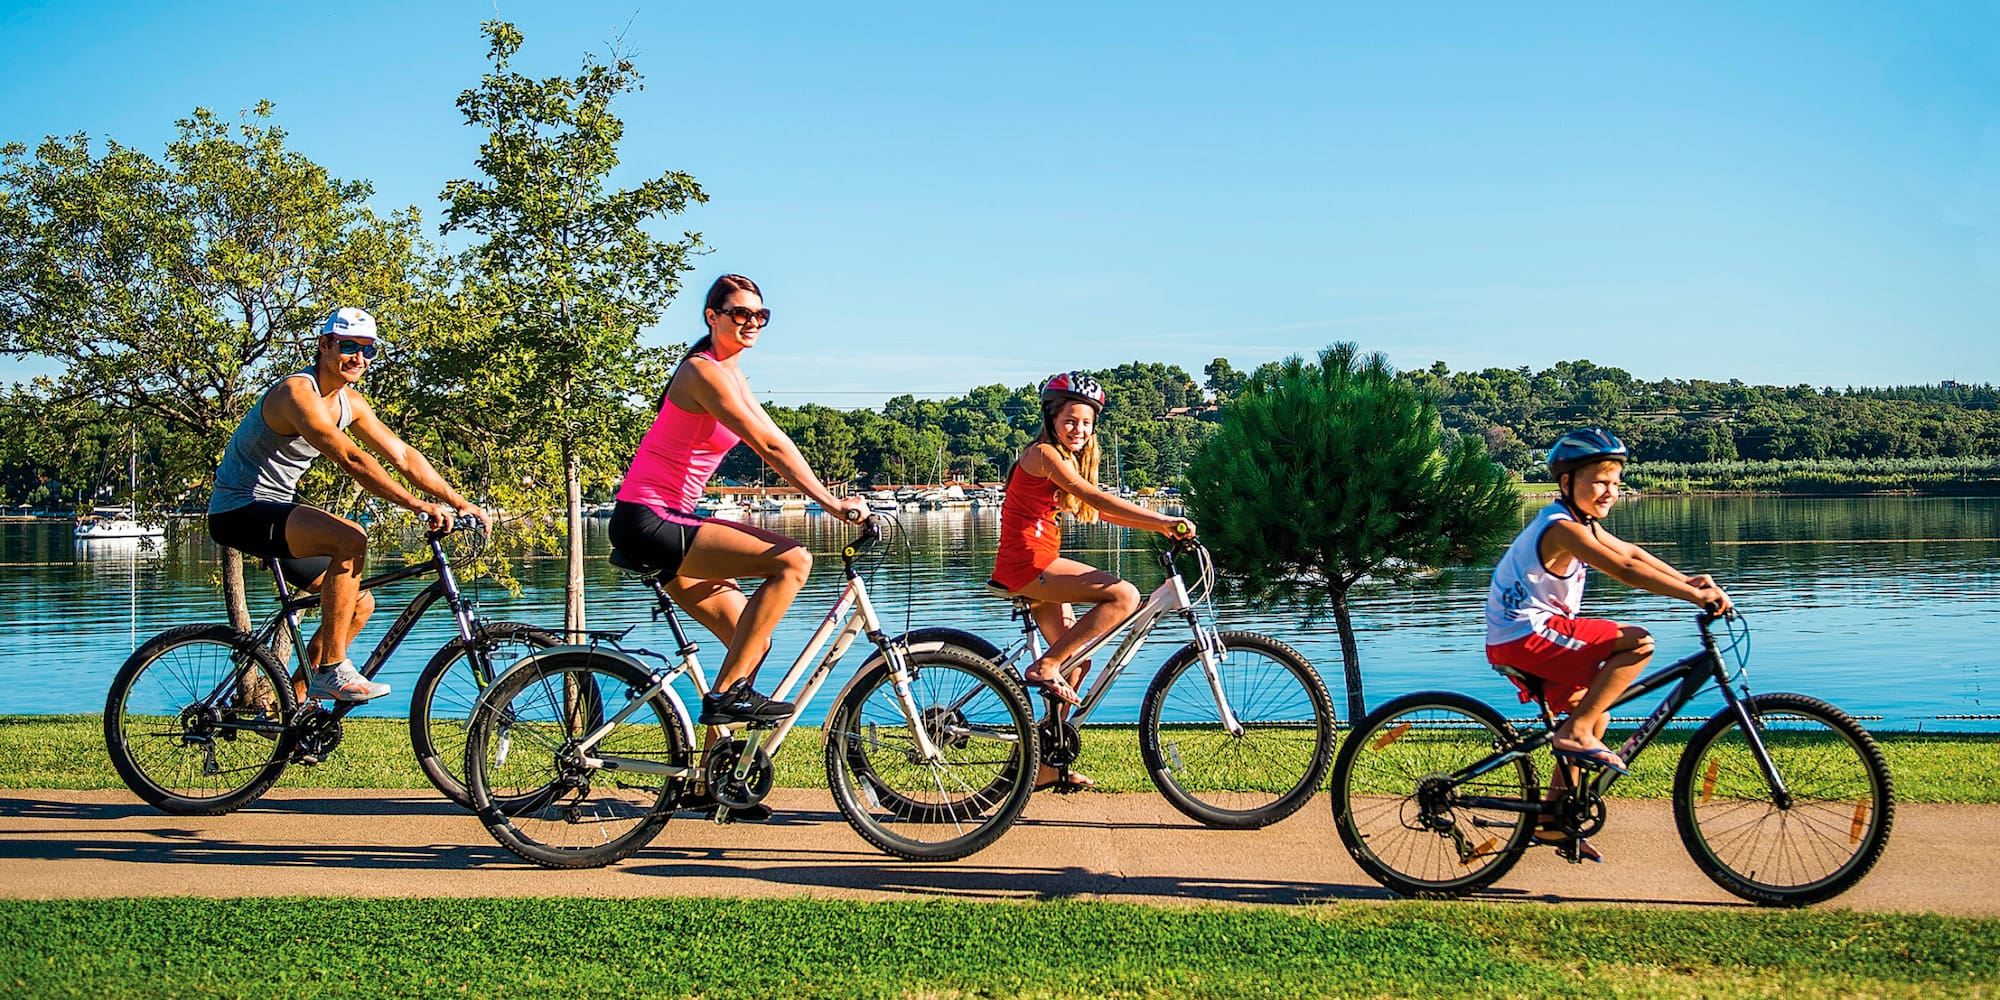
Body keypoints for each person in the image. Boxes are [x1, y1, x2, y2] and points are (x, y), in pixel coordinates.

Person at [608, 273, 868, 754]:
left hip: (664, 521)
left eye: (761, 315)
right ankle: (726, 697)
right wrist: (830, 504)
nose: (752, 322)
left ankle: (712, 779)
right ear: (713, 317)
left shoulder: (731, 373)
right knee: (793, 560)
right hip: (650, 519)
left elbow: (779, 437)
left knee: (752, 641)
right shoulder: (701, 371)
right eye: (740, 314)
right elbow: (764, 444)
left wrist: (830, 492)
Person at [207, 307, 486, 703]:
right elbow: (350, 458)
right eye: (349, 346)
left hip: (273, 512)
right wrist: (416, 506)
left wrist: (459, 502)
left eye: (368, 350)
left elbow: (402, 455)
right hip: (239, 511)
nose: (359, 358)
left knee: (357, 604)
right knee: (350, 538)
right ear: (324, 345)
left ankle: (293, 706)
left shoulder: (349, 402)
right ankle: (333, 669)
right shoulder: (296, 393)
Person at [1485, 427, 1732, 860]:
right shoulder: (1562, 528)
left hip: (1527, 636)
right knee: (1637, 643)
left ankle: (1550, 821)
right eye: (1599, 481)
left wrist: (1687, 580)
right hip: (1524, 634)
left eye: (1616, 483)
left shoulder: (1581, 524)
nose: (1610, 491)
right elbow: (1625, 572)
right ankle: (1575, 733)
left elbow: (1633, 553)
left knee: (1594, 713)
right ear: (1567, 483)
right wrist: (1694, 597)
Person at [987, 372, 1195, 792]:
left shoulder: (1062, 457)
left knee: (1077, 662)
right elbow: (1098, 498)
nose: (1079, 430)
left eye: (1086, 423)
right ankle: (1044, 665)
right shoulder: (1044, 454)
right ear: (1051, 418)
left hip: (1038, 562)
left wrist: (1158, 528)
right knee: (1125, 594)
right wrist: (1163, 521)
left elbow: (1101, 512)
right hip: (1027, 565)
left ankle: (1045, 765)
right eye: (1070, 420)